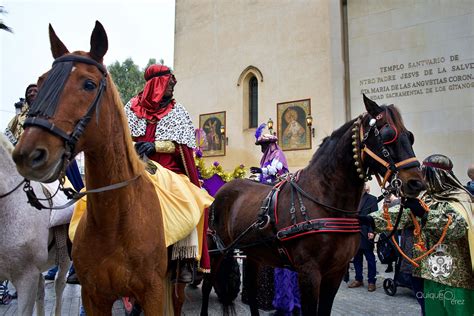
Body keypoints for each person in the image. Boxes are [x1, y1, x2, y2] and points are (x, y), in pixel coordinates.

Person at [124, 64, 212, 282]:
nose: (173, 85)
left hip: (168, 171)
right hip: (134, 168)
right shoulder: (130, 108)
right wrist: (134, 146)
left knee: (191, 200)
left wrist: (156, 146)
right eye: (168, 82)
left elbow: (182, 147)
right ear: (156, 85)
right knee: (93, 195)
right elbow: (120, 139)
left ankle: (185, 259)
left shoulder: (178, 111)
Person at [362, 154, 474, 315]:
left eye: (424, 175)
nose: (422, 180)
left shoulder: (462, 199)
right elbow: (401, 214)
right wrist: (369, 220)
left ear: (436, 176)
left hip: (456, 278)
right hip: (429, 274)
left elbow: (457, 228)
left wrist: (425, 214)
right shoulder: (426, 198)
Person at [247, 125, 301, 315]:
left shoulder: (278, 154)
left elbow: (276, 169)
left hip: (279, 191)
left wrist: (263, 170)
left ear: (270, 144)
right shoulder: (267, 156)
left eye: (263, 145)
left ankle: (289, 303)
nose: (261, 149)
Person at [348, 184, 378, 292]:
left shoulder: (372, 199)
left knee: (370, 258)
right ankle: (358, 279)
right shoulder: (353, 199)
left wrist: (372, 231)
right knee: (357, 258)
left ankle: (371, 281)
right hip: (354, 232)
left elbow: (374, 216)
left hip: (366, 233)